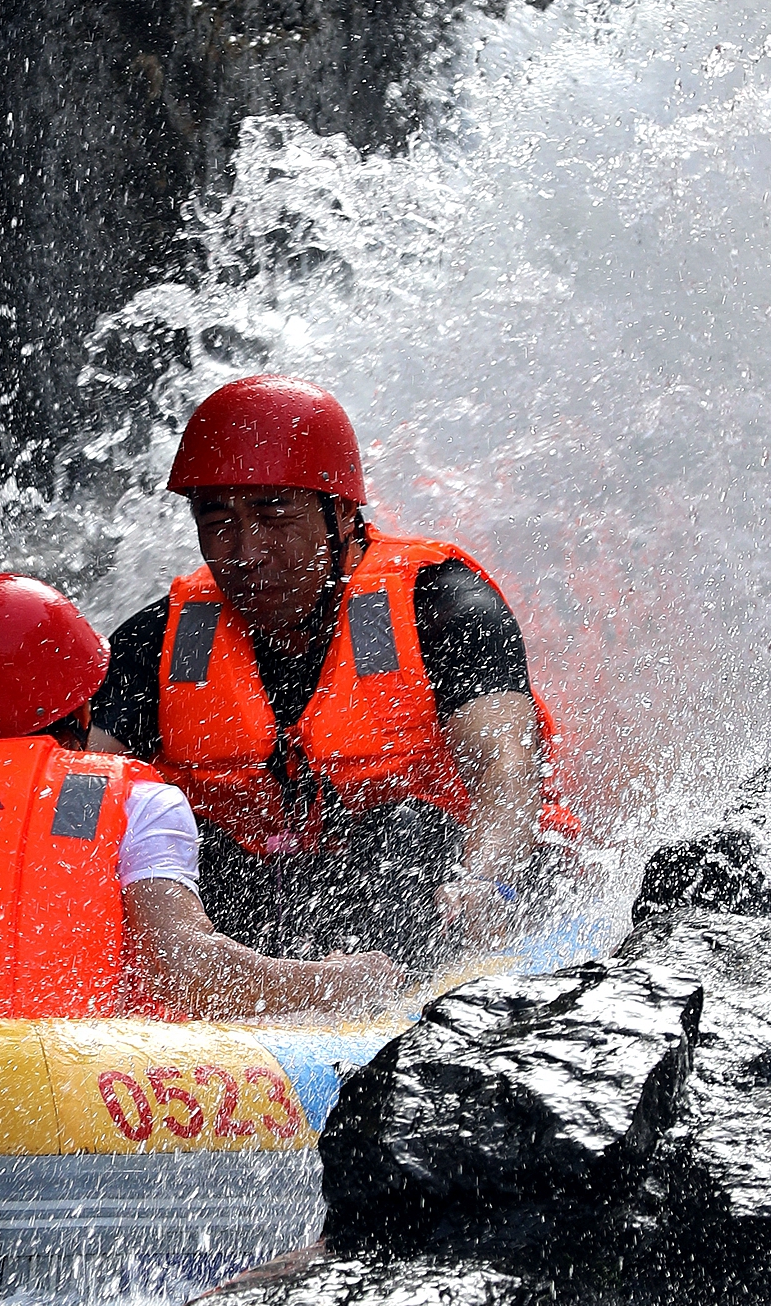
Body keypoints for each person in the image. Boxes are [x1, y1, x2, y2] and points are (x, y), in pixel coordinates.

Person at [0, 572, 399, 1020]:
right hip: (55, 1091)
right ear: (82, 701)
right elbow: (186, 971)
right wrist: (333, 984)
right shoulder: (140, 803)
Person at [89, 374, 580, 967]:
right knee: (174, 845)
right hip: (275, 903)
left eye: (275, 515)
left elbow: (505, 774)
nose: (245, 552)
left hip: (450, 882)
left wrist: (483, 885)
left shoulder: (442, 605)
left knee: (397, 835)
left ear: (342, 514)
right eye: (218, 521)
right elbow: (80, 789)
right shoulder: (160, 639)